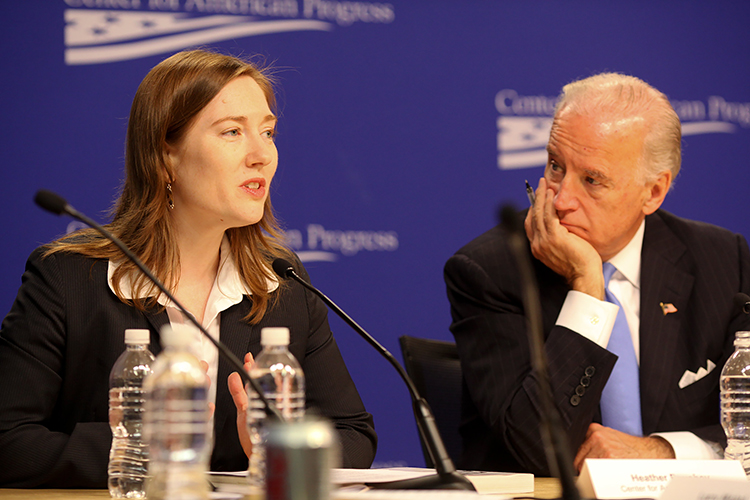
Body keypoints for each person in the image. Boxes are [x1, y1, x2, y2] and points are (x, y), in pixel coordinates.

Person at [0, 49, 377, 488]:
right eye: (232, 132)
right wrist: (140, 446)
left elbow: (353, 434)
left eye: (268, 132)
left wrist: (284, 449)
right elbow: (8, 439)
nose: (262, 155)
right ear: (165, 155)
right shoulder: (67, 279)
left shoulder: (281, 281)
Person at [444, 72, 750, 476]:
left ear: (653, 192)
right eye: (555, 166)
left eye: (592, 180)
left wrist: (660, 451)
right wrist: (588, 288)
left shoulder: (723, 260)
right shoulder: (491, 271)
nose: (561, 199)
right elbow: (539, 449)